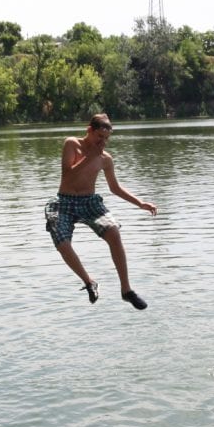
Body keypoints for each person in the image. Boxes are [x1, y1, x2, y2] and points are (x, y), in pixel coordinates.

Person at [45, 113, 157, 309]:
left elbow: (115, 188)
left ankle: (126, 290)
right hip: (64, 201)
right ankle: (89, 282)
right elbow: (68, 175)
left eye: (106, 139)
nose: (103, 142)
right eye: (99, 137)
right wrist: (89, 158)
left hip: (89, 202)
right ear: (89, 130)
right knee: (62, 241)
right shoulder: (72, 144)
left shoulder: (105, 159)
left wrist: (140, 203)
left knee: (113, 231)